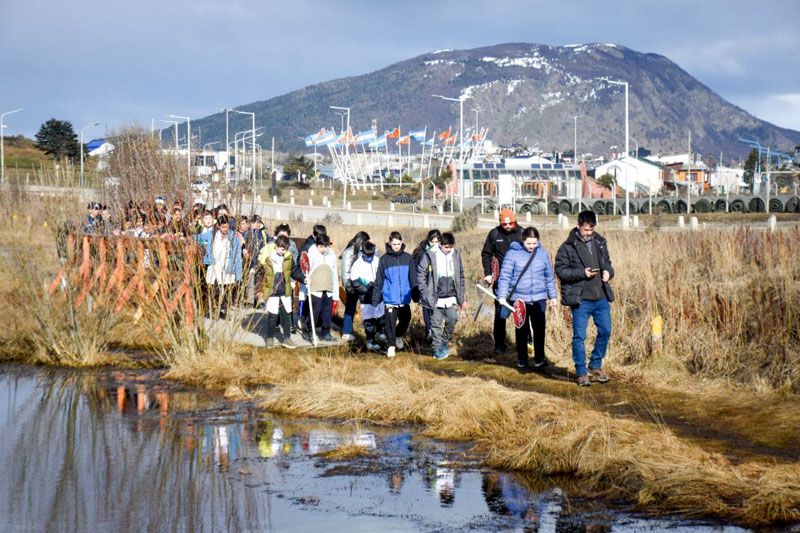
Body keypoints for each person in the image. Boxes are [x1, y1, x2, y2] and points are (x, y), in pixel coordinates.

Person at [555, 210, 615, 387]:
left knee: (605, 330)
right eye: (586, 230)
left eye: (592, 230)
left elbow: (609, 264)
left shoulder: (600, 242)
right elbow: (560, 270)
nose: (589, 233)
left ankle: (595, 365)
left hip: (601, 296)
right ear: (578, 226)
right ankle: (581, 372)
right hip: (581, 299)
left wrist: (608, 273)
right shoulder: (567, 246)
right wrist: (582, 273)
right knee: (579, 336)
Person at [496, 226, 557, 370]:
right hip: (519, 298)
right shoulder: (512, 254)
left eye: (534, 243)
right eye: (529, 243)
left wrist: (553, 296)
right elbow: (505, 276)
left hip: (539, 297)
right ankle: (522, 360)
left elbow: (549, 277)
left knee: (540, 329)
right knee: (521, 329)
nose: (531, 246)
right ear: (523, 240)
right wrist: (502, 296)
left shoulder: (542, 254)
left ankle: (540, 359)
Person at [481, 208, 524, 356]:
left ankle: (523, 344)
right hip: (501, 282)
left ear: (514, 221)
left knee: (521, 312)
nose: (507, 227)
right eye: (504, 224)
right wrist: (487, 273)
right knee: (501, 313)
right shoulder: (494, 234)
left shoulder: (522, 233)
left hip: (519, 281)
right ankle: (500, 345)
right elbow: (486, 254)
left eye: (510, 224)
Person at [416, 232, 464, 360]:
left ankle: (444, 342)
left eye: (450, 247)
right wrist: (425, 292)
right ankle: (437, 349)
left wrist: (461, 297)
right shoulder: (431, 254)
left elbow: (460, 275)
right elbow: (421, 273)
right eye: (446, 247)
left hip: (451, 296)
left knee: (452, 320)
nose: (448, 250)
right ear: (440, 245)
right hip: (435, 297)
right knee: (435, 324)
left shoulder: (456, 254)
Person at [258, 235, 303, 349]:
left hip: (284, 289)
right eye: (281, 249)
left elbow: (294, 271)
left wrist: (303, 278)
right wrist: (260, 289)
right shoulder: (268, 258)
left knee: (286, 314)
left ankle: (287, 338)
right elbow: (261, 274)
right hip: (272, 290)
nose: (283, 252)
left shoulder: (288, 258)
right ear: (276, 246)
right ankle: (269, 338)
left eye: (285, 249)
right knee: (273, 316)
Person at [373, 231, 413, 358]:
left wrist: (416, 293)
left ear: (402, 242)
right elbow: (379, 279)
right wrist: (376, 297)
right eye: (394, 244)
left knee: (406, 318)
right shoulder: (384, 259)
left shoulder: (408, 258)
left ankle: (398, 336)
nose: (396, 246)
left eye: (398, 244)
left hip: (405, 297)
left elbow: (413, 277)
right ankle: (391, 345)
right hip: (390, 297)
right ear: (390, 243)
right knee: (390, 323)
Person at [198, 214, 243, 319]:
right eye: (223, 227)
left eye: (227, 227)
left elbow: (237, 254)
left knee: (226, 291)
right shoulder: (212, 234)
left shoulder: (233, 237)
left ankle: (224, 311)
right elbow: (199, 238)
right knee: (213, 290)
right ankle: (214, 310)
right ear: (218, 226)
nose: (225, 229)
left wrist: (238, 274)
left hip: (227, 267)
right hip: (214, 266)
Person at [349, 241, 385, 351]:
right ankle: (370, 340)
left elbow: (383, 276)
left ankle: (380, 334)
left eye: (371, 255)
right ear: (362, 252)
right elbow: (354, 282)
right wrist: (367, 290)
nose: (369, 257)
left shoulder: (378, 261)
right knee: (369, 319)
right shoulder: (357, 264)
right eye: (367, 255)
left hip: (379, 295)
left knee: (381, 316)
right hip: (366, 297)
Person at [305, 233, 338, 342]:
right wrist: (307, 283)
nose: (323, 249)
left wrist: (335, 293)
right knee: (315, 311)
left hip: (328, 287)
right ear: (317, 245)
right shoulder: (311, 253)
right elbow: (306, 270)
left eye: (326, 246)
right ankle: (310, 331)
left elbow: (334, 274)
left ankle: (326, 332)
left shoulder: (332, 255)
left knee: (327, 312)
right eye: (321, 246)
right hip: (315, 288)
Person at [340, 231, 372, 342]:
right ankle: (347, 331)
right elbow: (345, 271)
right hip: (351, 285)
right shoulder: (349, 252)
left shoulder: (363, 251)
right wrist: (348, 286)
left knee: (367, 308)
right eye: (366, 241)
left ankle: (371, 333)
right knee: (350, 308)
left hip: (362, 284)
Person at [411, 229, 442, 340]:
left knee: (436, 309)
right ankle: (428, 330)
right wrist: (417, 287)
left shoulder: (442, 252)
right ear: (428, 241)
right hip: (424, 284)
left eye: (437, 242)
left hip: (437, 285)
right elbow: (415, 270)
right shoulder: (420, 252)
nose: (435, 244)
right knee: (426, 308)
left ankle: (434, 330)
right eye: (432, 242)